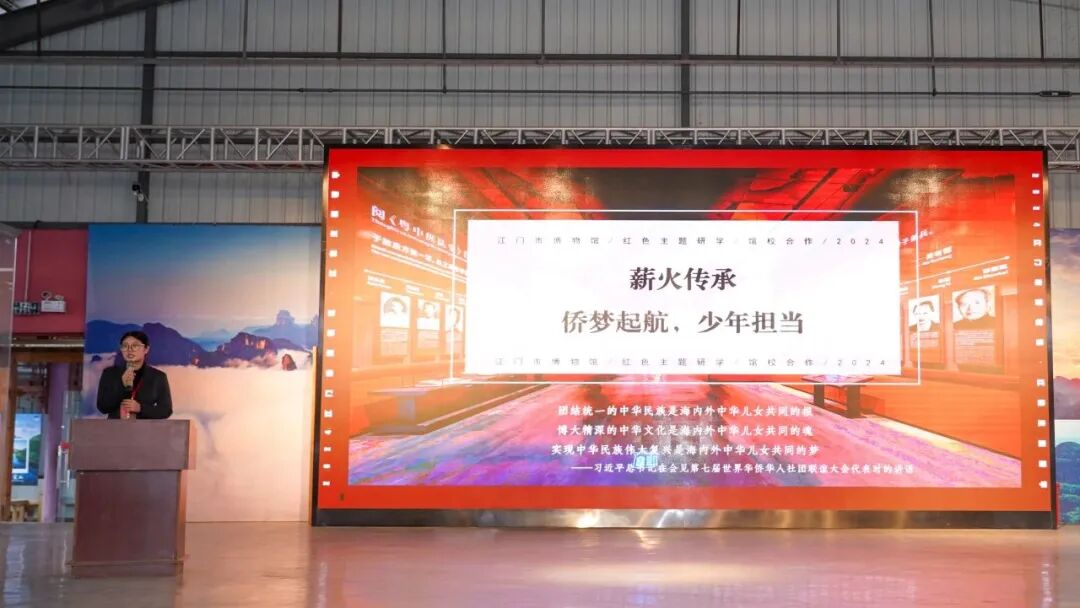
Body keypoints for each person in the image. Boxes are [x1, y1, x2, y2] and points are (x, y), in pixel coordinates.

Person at [96, 330, 173, 420]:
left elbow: (166, 410)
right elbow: (102, 407)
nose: (129, 350)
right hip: (115, 427)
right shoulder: (109, 374)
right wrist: (121, 385)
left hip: (144, 428)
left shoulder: (158, 377)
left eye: (135, 346)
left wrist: (140, 408)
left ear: (146, 349)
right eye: (125, 346)